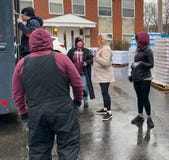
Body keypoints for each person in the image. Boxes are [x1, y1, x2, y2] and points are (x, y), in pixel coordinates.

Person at [12, 28, 83, 160]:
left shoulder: (22, 64)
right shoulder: (61, 58)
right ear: (48, 41)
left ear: (31, 43)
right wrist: (78, 100)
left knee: (39, 150)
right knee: (68, 147)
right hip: (62, 110)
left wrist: (23, 112)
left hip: (37, 112)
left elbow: (17, 93)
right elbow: (77, 83)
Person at [129, 32, 154, 128]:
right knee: (139, 98)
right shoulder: (138, 50)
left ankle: (149, 118)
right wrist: (132, 75)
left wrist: (140, 63)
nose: (136, 42)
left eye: (137, 40)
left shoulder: (148, 51)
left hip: (145, 78)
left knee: (145, 98)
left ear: (141, 40)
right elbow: (135, 64)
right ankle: (140, 116)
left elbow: (151, 65)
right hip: (137, 78)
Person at [67, 37, 95, 108]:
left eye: (81, 42)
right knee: (75, 87)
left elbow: (91, 59)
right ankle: (77, 100)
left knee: (84, 87)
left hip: (84, 73)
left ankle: (85, 100)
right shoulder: (71, 51)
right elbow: (67, 60)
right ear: (76, 43)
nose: (80, 43)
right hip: (74, 74)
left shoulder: (86, 51)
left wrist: (87, 62)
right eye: (78, 42)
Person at [94, 34, 115, 121]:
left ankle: (109, 112)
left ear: (103, 40)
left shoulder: (106, 49)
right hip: (101, 74)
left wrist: (97, 57)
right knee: (103, 92)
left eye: (98, 39)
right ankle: (105, 108)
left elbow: (106, 63)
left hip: (105, 75)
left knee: (105, 92)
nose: (97, 41)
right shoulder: (102, 47)